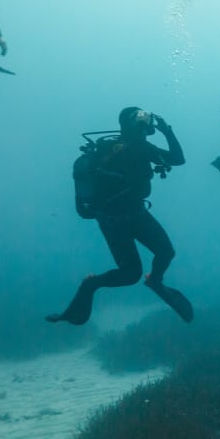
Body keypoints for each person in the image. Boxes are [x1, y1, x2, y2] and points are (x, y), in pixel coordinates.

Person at [47, 107, 193, 325]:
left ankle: (93, 284)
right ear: (133, 124)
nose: (147, 123)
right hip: (131, 216)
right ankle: (154, 280)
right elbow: (178, 159)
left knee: (130, 273)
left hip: (112, 220)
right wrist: (167, 130)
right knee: (165, 252)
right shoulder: (139, 147)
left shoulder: (106, 146)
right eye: (142, 119)